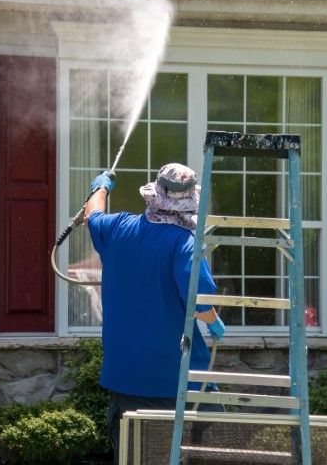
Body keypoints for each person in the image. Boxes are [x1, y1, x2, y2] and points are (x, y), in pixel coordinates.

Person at [85, 163, 225, 460]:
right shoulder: (186, 244)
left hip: (126, 381)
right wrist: (214, 321)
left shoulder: (118, 228)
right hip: (181, 383)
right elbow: (199, 302)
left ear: (154, 195)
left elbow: (92, 216)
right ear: (189, 204)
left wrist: (101, 186)